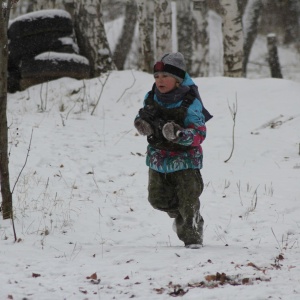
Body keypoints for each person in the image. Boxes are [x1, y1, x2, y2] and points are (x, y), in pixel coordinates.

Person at [134, 52, 208, 249]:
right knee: (157, 199)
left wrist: (180, 134)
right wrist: (143, 124)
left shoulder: (190, 102)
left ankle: (192, 236)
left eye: (165, 76)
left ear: (177, 80)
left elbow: (200, 133)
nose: (160, 81)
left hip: (186, 161)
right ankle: (180, 216)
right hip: (159, 158)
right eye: (156, 77)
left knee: (188, 200)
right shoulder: (151, 97)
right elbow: (142, 116)